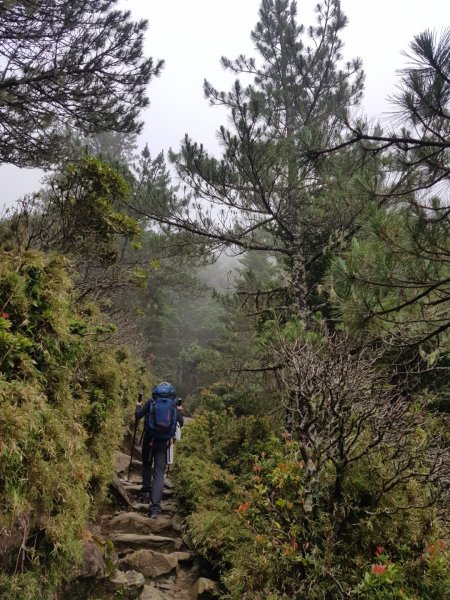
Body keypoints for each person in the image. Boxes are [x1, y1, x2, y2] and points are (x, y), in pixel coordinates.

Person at [135, 382, 184, 518]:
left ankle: (145, 492)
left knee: (146, 464)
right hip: (163, 443)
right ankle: (155, 509)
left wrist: (138, 406)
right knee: (158, 473)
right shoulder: (173, 405)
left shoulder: (152, 402)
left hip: (149, 440)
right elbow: (182, 422)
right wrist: (179, 410)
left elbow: (137, 416)